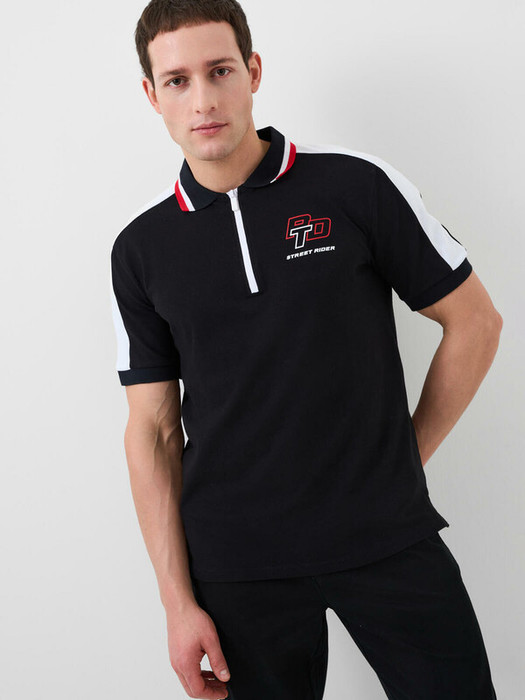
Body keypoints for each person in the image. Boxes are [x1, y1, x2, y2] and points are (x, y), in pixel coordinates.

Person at [110, 1, 502, 698]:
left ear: (253, 71)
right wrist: (176, 603)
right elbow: (152, 430)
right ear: (151, 94)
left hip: (386, 537)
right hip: (236, 565)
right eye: (177, 80)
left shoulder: (353, 185)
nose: (202, 100)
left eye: (219, 71)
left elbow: (474, 322)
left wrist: (402, 459)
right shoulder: (141, 249)